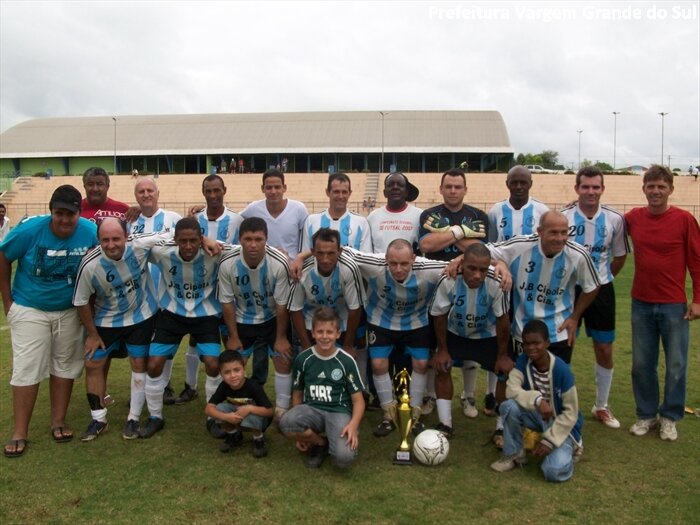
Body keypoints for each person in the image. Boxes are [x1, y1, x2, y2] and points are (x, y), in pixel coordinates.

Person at [1, 185, 97, 457]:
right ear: (51, 211)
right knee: (27, 367)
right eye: (59, 213)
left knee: (65, 365)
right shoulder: (31, 230)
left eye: (71, 214)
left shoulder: (89, 231)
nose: (65, 219)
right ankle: (20, 431)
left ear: (80, 212)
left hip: (69, 310)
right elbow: (4, 256)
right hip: (31, 308)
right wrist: (8, 302)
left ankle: (58, 422)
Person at [625, 165, 700, 441]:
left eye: (661, 186)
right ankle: (646, 415)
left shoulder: (684, 220)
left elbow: (697, 260)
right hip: (641, 304)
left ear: (671, 189)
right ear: (644, 188)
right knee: (642, 364)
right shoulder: (633, 218)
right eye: (651, 186)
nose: (655, 191)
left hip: (674, 306)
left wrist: (697, 300)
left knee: (676, 364)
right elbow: (606, 223)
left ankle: (670, 417)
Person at [342, 240, 447, 437]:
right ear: (386, 260)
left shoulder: (429, 268)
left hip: (416, 322)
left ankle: (413, 414)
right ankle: (388, 415)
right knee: (379, 364)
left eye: (404, 264)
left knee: (422, 364)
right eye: (393, 263)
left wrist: (500, 266)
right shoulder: (374, 264)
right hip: (381, 321)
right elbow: (339, 249)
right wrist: (302, 257)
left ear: (413, 259)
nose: (398, 269)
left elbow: (464, 262)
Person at [72, 218, 163, 441]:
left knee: (138, 363)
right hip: (107, 320)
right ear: (98, 240)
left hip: (141, 316)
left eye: (116, 239)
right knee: (93, 362)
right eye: (105, 240)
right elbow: (81, 301)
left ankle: (133, 418)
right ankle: (98, 418)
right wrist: (92, 334)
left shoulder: (139, 246)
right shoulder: (90, 264)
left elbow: (171, 236)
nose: (111, 244)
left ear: (127, 237)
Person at [140, 218, 230, 438]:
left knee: (212, 363)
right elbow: (136, 243)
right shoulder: (163, 252)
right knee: (153, 365)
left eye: (193, 240)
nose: (188, 246)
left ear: (200, 239)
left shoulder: (214, 250)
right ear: (175, 240)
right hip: (171, 314)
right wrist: (169, 234)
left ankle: (214, 417)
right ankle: (155, 417)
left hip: (205, 315)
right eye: (183, 241)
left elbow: (248, 247)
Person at [561, 167, 630, 429]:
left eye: (595, 187)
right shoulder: (563, 216)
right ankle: (563, 401)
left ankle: (601, 406)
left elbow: (620, 256)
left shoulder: (615, 219)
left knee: (604, 348)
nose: (590, 191)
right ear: (577, 188)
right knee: (565, 345)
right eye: (586, 187)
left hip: (601, 291)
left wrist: (601, 280)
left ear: (602, 189)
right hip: (567, 291)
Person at [419, 168, 489, 420]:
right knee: (433, 346)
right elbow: (426, 245)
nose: (452, 191)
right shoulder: (429, 214)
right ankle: (431, 395)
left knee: (469, 341)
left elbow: (482, 249)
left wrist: (447, 239)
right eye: (448, 186)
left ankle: (468, 395)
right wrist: (462, 233)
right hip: (434, 288)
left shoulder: (479, 215)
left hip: (470, 286)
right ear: (441, 188)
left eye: (457, 187)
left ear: (465, 189)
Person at [487, 211, 602, 364]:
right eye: (553, 232)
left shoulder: (578, 255)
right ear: (540, 232)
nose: (560, 238)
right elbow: (482, 252)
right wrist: (499, 263)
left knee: (556, 382)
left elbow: (593, 286)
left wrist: (574, 318)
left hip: (559, 332)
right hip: (523, 331)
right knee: (525, 382)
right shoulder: (520, 246)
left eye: (564, 233)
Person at [484, 165, 549, 419]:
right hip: (501, 284)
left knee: (526, 337)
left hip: (530, 285)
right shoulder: (496, 211)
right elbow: (490, 247)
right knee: (499, 336)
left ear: (531, 183)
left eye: (524, 182)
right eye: (515, 182)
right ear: (507, 183)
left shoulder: (542, 211)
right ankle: (492, 392)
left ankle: (529, 390)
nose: (519, 186)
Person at [430, 243, 513, 440]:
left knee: (504, 372)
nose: (477, 275)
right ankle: (445, 424)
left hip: (486, 335)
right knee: (442, 367)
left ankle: (501, 428)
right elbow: (439, 315)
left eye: (483, 270)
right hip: (456, 333)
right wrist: (442, 349)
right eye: (472, 268)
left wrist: (502, 355)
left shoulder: (496, 281)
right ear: (462, 264)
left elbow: (503, 320)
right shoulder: (448, 279)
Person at [217, 217, 293, 419]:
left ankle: (281, 410)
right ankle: (235, 406)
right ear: (240, 239)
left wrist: (281, 338)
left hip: (272, 319)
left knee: (283, 360)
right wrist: (233, 336)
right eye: (248, 239)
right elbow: (227, 302)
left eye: (258, 239)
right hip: (243, 320)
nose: (253, 244)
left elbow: (282, 304)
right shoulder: (227, 263)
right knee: (234, 363)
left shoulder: (279, 262)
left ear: (266, 239)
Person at [178, 175, 244, 406]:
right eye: (209, 191)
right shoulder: (194, 219)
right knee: (195, 342)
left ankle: (230, 389)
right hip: (199, 292)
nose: (213, 195)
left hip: (227, 292)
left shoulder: (237, 219)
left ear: (224, 190)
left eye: (217, 190)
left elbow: (239, 250)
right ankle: (190, 386)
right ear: (203, 192)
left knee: (228, 342)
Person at [490, 320, 583, 483]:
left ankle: (571, 449)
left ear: (547, 343)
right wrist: (538, 400)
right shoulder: (522, 361)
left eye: (536, 343)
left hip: (561, 424)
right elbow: (511, 390)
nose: (531, 348)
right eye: (527, 344)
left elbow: (571, 413)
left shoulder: (562, 370)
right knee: (508, 406)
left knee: (552, 472)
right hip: (539, 416)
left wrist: (550, 441)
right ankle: (513, 454)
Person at [279, 307, 365, 468]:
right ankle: (320, 443)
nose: (325, 337)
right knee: (286, 422)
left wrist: (353, 425)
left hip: (338, 411)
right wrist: (299, 435)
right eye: (320, 332)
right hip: (313, 410)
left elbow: (358, 401)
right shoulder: (303, 359)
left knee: (343, 459)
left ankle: (336, 438)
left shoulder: (346, 361)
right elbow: (297, 394)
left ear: (338, 334)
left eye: (329, 332)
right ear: (313, 333)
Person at [128, 178, 182, 404]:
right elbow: (129, 247)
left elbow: (179, 242)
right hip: (141, 296)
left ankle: (165, 385)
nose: (146, 194)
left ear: (158, 193)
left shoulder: (174, 218)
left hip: (169, 293)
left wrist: (144, 242)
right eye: (141, 191)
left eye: (150, 190)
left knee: (165, 345)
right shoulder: (129, 221)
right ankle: (142, 392)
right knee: (142, 347)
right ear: (136, 196)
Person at [205, 350, 273, 458]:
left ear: (244, 368)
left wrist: (250, 408)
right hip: (237, 416)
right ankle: (233, 436)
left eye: (237, 370)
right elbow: (208, 409)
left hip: (257, 419)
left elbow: (269, 411)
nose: (233, 375)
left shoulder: (253, 386)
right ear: (220, 373)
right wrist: (226, 417)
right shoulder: (223, 386)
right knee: (219, 408)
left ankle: (258, 439)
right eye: (227, 372)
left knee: (252, 416)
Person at [239, 169, 308, 259]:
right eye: (269, 187)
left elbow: (307, 242)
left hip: (291, 267)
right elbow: (235, 220)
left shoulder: (299, 209)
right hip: (264, 267)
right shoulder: (253, 209)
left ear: (284, 188)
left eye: (277, 187)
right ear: (262, 189)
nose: (273, 191)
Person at [300, 172, 373, 253]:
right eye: (336, 192)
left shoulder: (361, 222)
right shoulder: (311, 221)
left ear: (350, 193)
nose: (340, 196)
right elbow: (305, 256)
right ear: (327, 192)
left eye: (344, 192)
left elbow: (366, 258)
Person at [367, 172, 423, 254]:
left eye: (400, 185)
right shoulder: (372, 217)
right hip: (380, 266)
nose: (395, 187)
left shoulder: (419, 215)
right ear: (384, 192)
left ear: (407, 191)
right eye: (390, 185)